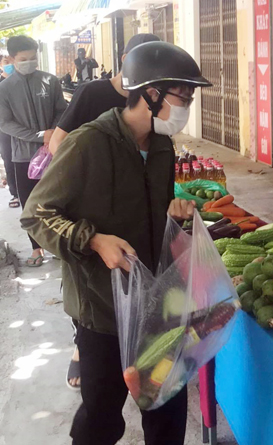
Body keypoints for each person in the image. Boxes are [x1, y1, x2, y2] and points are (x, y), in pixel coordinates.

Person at [21, 41, 211, 444]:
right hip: (102, 309)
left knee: (166, 407)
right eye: (184, 95)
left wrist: (171, 216)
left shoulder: (162, 146)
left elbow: (147, 208)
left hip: (157, 305)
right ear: (151, 93)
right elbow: (36, 215)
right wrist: (93, 241)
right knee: (102, 417)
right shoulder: (89, 143)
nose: (187, 105)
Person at [49, 33, 161, 390]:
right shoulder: (93, 96)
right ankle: (82, 348)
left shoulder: (161, 137)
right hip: (93, 224)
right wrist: (84, 182)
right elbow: (58, 142)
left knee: (159, 395)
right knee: (94, 318)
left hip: (135, 253)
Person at [0, 35, 67, 267]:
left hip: (55, 153)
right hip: (22, 157)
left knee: (58, 201)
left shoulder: (50, 81)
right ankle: (36, 248)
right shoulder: (5, 88)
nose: (29, 62)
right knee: (30, 205)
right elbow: (5, 123)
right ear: (11, 59)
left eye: (32, 58)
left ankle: (58, 244)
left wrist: (55, 133)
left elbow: (62, 110)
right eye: (23, 59)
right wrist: (40, 136)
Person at [50, 33, 160, 156]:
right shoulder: (91, 92)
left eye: (156, 64)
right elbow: (57, 142)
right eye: (144, 61)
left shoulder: (154, 97)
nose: (151, 69)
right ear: (125, 59)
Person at [0, 53, 19, 208]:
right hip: (5, 129)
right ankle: (15, 193)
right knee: (9, 158)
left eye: (11, 61)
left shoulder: (21, 81)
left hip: (26, 127)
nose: (9, 64)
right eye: (6, 62)